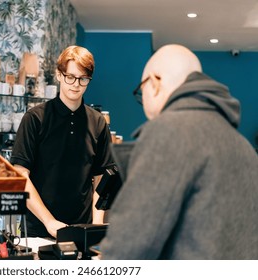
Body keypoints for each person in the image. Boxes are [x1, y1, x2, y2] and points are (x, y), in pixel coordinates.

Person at [100, 44, 258, 259]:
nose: (142, 100)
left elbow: (130, 244)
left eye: (140, 92)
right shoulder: (243, 146)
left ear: (155, 82)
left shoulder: (167, 132)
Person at [10, 45, 113, 238]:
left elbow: (101, 179)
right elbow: (20, 175)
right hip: (38, 229)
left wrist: (96, 225)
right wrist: (49, 221)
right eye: (70, 77)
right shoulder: (34, 118)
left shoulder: (98, 122)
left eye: (83, 79)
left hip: (82, 229)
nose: (76, 84)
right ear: (59, 75)